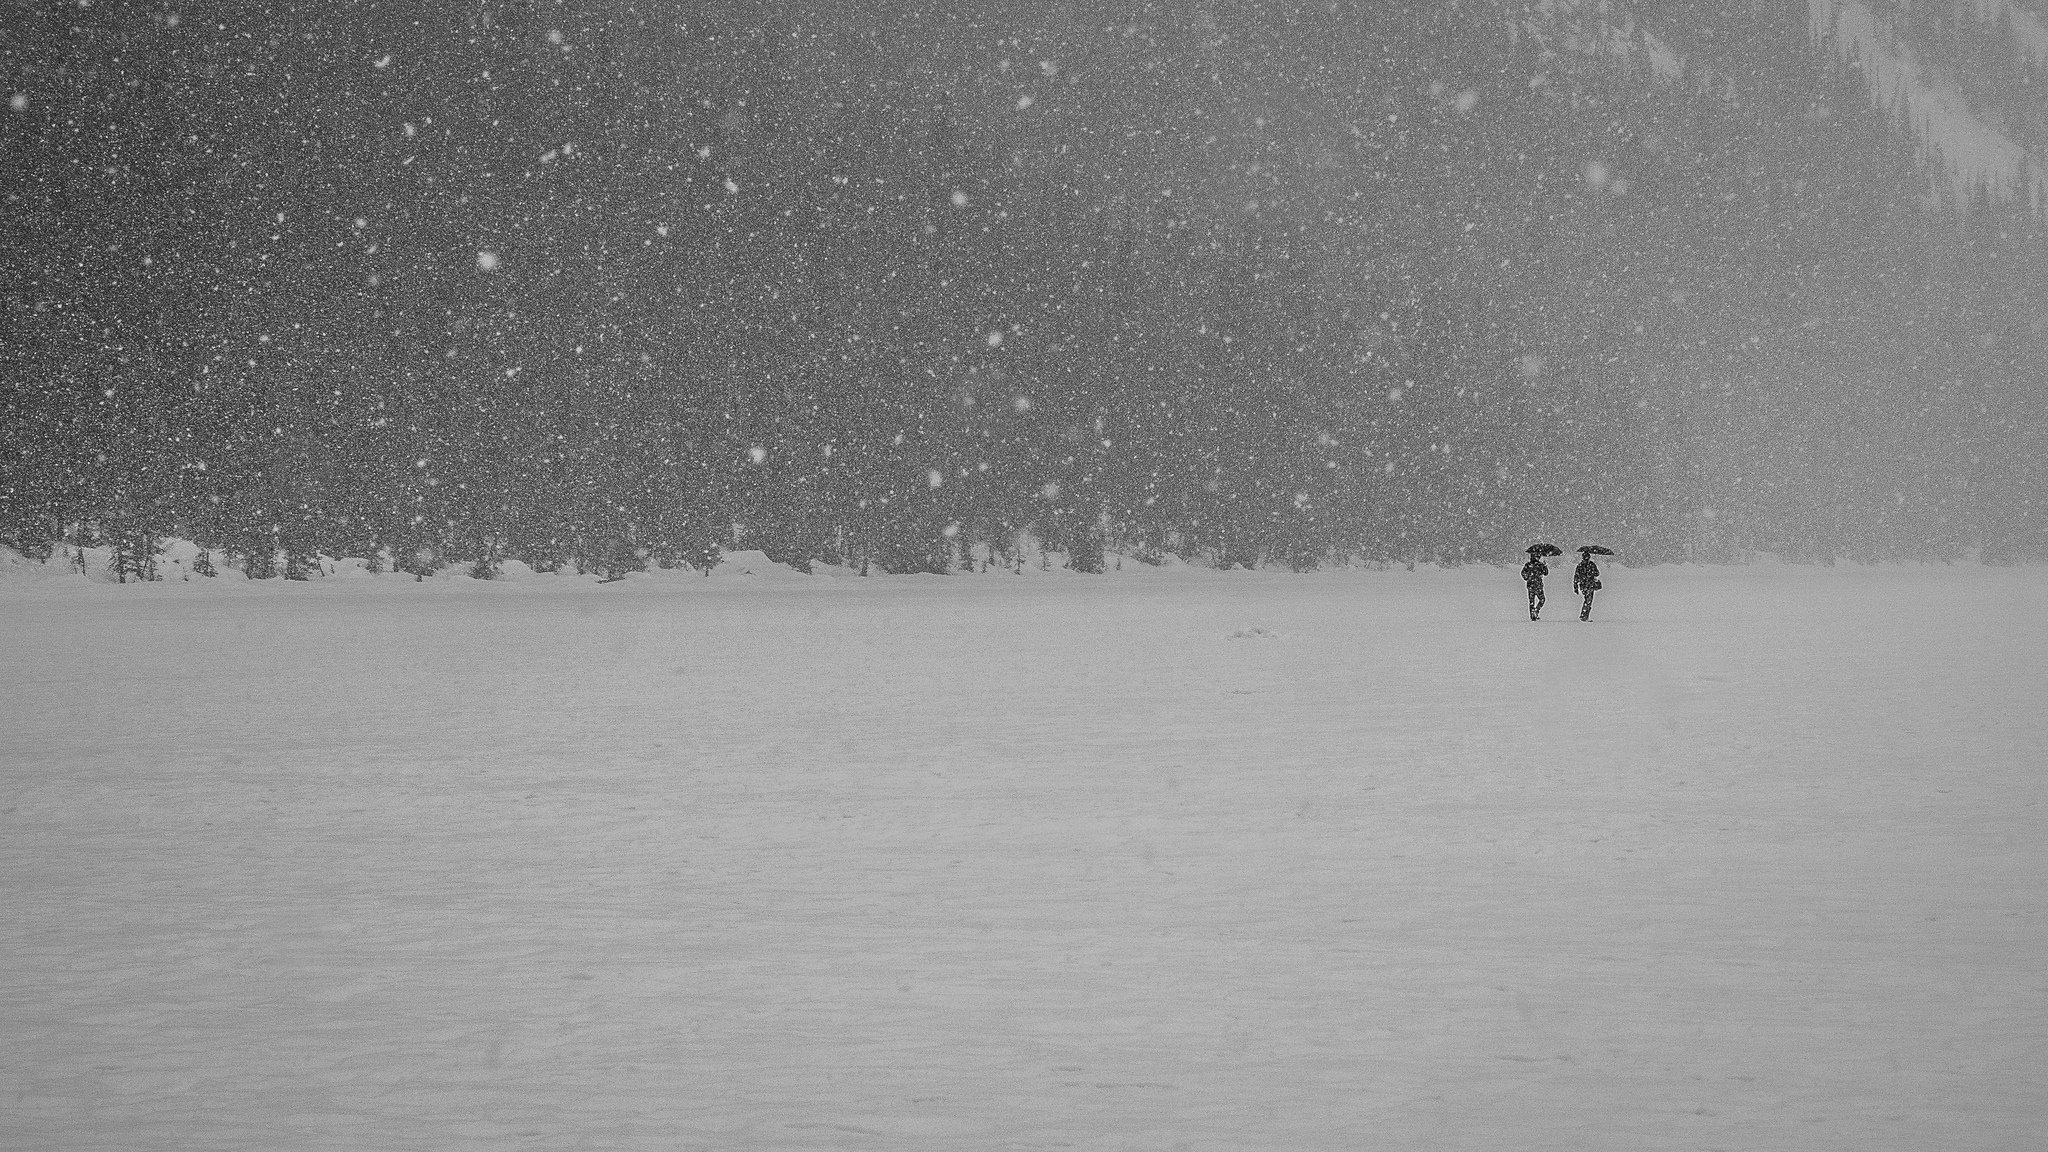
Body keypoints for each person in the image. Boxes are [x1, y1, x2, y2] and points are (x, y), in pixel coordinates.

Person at [1573, 549, 1602, 621]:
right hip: (1589, 585)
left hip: (1583, 585)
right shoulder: (1591, 564)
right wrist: (1592, 573)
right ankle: (1584, 616)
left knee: (1587, 600)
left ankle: (1584, 615)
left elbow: (1576, 577)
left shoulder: (1580, 565)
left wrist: (1575, 587)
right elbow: (1597, 573)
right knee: (1588, 600)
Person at [1521, 552, 1549, 620]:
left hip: (1530, 585)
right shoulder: (1540, 565)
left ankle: (1532, 615)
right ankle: (1536, 611)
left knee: (1531, 601)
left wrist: (1527, 578)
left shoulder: (1528, 565)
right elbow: (1546, 573)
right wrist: (1545, 566)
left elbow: (1523, 573)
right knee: (1542, 599)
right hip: (1538, 585)